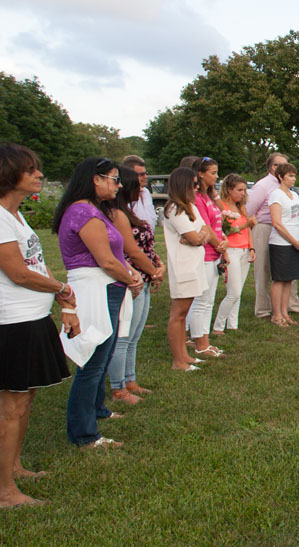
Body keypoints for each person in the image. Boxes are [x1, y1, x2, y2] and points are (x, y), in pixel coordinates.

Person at [0, 144, 75, 506]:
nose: (39, 175)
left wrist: (56, 293)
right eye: (31, 170)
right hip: (12, 321)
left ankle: (12, 466)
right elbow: (17, 272)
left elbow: (35, 261)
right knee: (11, 406)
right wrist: (59, 287)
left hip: (32, 317)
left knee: (25, 398)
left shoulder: (17, 216)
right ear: (9, 174)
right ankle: (4, 491)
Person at [53, 157, 142, 447]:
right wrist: (131, 278)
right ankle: (84, 433)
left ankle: (97, 409)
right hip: (96, 290)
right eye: (115, 179)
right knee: (92, 361)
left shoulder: (95, 210)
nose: (119, 185)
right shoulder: (83, 212)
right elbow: (105, 260)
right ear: (96, 179)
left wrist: (127, 276)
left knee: (102, 357)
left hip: (108, 287)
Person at [107, 167, 165, 405]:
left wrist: (157, 265)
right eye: (137, 185)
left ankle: (130, 380)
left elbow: (147, 246)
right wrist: (152, 272)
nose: (141, 189)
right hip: (132, 279)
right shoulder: (116, 214)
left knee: (135, 335)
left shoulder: (128, 212)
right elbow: (131, 250)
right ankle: (118, 388)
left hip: (145, 275)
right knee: (124, 336)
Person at [163, 168, 210, 371]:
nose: (197, 187)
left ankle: (185, 355)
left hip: (194, 264)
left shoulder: (190, 206)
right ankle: (178, 360)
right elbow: (194, 237)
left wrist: (198, 237)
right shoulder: (174, 208)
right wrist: (197, 237)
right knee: (178, 313)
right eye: (193, 184)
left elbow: (204, 231)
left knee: (185, 312)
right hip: (182, 267)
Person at [246, 153, 299, 318]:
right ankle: (264, 308)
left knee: (287, 271)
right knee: (263, 269)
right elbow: (249, 210)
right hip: (265, 227)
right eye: (281, 165)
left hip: (287, 228)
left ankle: (290, 305)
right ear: (273, 168)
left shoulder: (288, 188)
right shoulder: (262, 186)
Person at [186, 157, 225, 358]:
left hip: (215, 252)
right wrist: (219, 246)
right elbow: (205, 227)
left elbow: (217, 224)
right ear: (200, 174)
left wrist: (222, 242)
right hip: (206, 254)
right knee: (202, 300)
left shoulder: (209, 197)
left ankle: (204, 340)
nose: (216, 177)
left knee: (209, 300)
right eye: (212, 173)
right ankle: (200, 343)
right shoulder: (198, 199)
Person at [268, 163, 299, 326]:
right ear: (281, 177)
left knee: (289, 280)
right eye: (290, 176)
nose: (293, 179)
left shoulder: (294, 195)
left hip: (295, 243)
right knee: (279, 280)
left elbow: (298, 219)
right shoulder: (276, 195)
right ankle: (276, 315)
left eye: (294, 175)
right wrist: (293, 241)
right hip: (280, 243)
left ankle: (285, 312)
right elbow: (277, 223)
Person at [213, 174, 255, 333]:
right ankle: (218, 325)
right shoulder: (222, 207)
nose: (243, 193)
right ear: (229, 189)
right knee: (233, 291)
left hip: (244, 249)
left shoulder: (241, 207)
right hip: (231, 250)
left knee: (239, 291)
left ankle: (233, 324)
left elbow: (248, 230)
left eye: (244, 190)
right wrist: (246, 224)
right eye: (239, 190)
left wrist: (252, 248)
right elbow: (226, 231)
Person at [121, 155, 157, 232]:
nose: (146, 176)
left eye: (146, 173)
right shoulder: (123, 197)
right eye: (141, 174)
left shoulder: (146, 193)